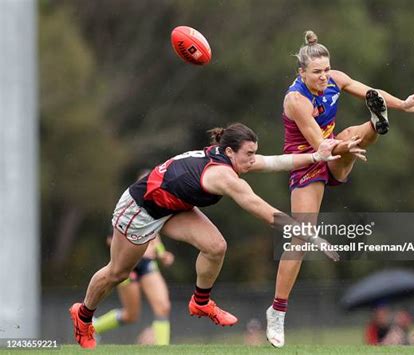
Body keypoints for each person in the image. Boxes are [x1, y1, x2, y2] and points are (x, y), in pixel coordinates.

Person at [69, 122, 360, 348]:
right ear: (230, 152)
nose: (252, 159)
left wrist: (316, 155)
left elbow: (273, 162)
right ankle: (83, 317)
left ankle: (200, 301)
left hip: (174, 208)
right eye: (248, 154)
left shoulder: (231, 158)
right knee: (117, 273)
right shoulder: (223, 176)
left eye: (253, 152)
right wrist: (306, 233)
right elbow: (261, 209)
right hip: (141, 209)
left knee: (215, 246)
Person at [265, 30, 414, 348]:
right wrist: (344, 149)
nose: (324, 77)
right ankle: (277, 311)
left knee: (362, 130)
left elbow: (373, 91)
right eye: (317, 73)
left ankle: (376, 122)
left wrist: (402, 104)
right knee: (301, 236)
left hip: (338, 147)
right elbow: (320, 145)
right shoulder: (296, 99)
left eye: (326, 70)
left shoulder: (335, 79)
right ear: (301, 73)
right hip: (307, 161)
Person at [93, 232, 174, 345]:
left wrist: (161, 253)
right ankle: (94, 328)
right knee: (131, 315)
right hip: (127, 265)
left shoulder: (151, 215)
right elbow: (111, 240)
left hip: (147, 264)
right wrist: (134, 252)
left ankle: (162, 349)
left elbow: (154, 234)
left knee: (163, 307)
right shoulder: (123, 216)